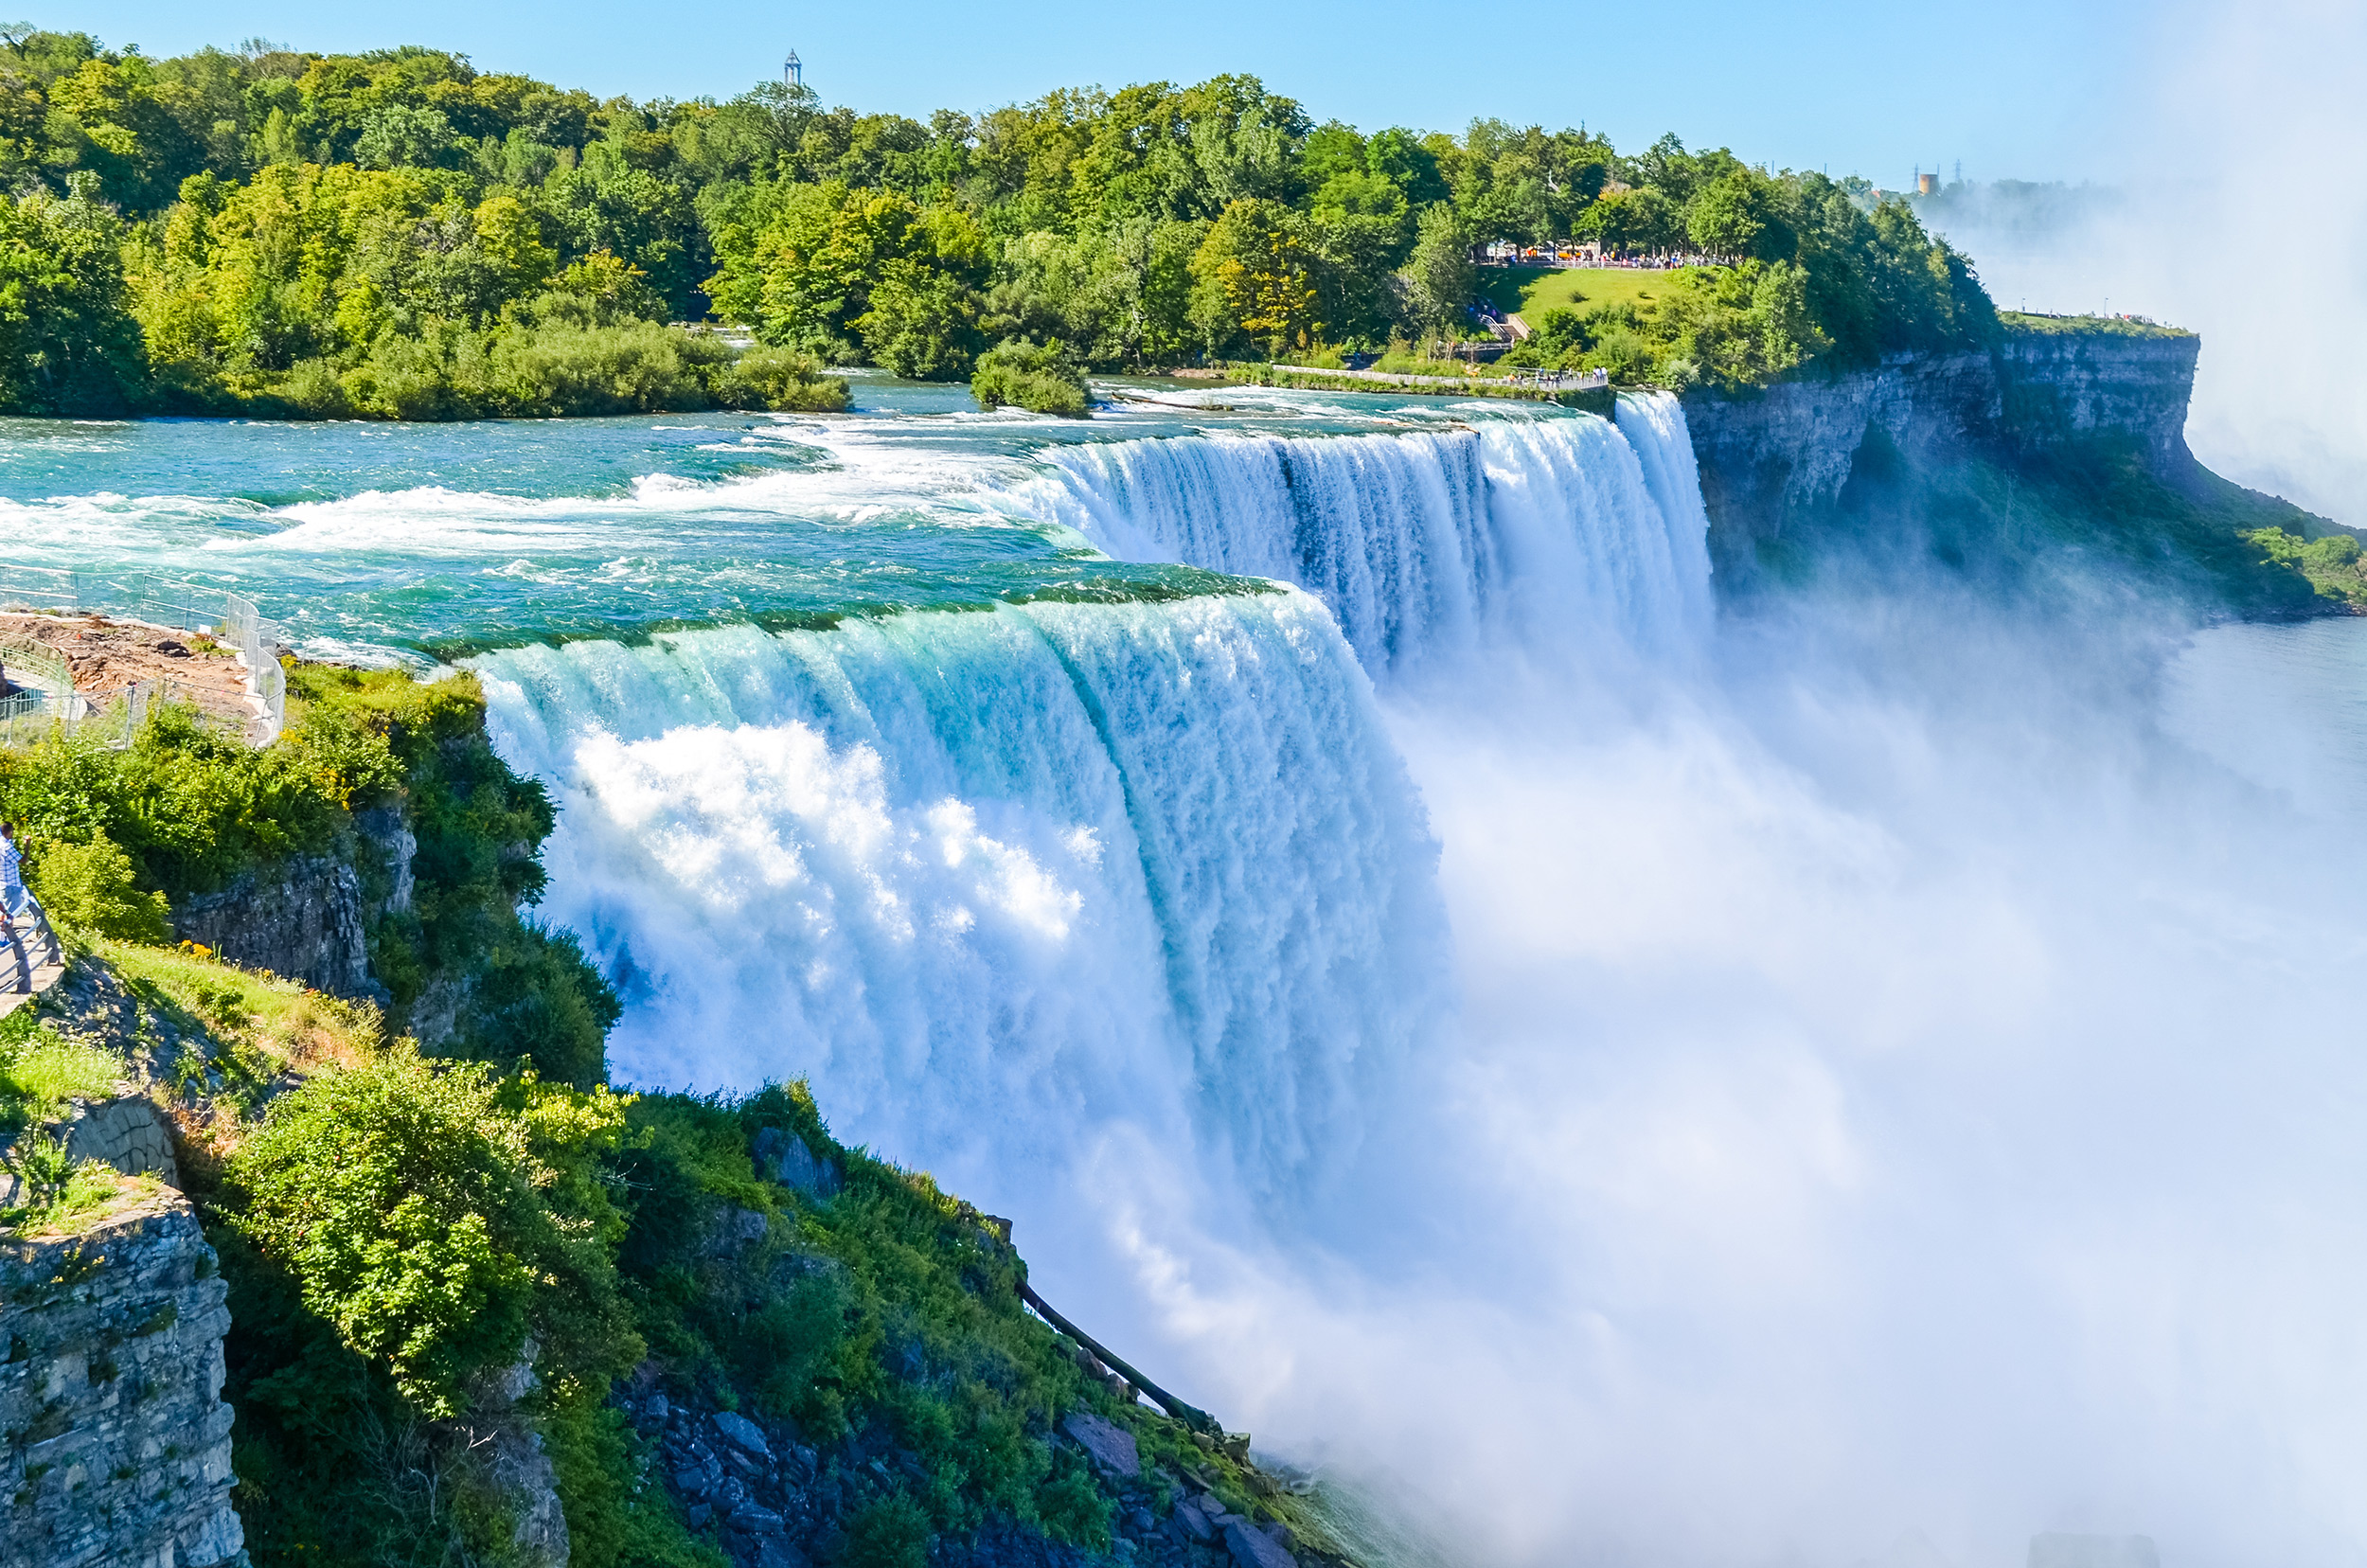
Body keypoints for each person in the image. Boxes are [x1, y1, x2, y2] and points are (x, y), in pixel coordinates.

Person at [2, 820, 62, 992]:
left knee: (9, 916)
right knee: (11, 917)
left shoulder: (2, 843)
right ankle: (9, 945)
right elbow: (23, 860)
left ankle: (7, 941)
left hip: (3, 884)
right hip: (11, 885)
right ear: (9, 832)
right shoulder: (6, 847)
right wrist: (27, 845)